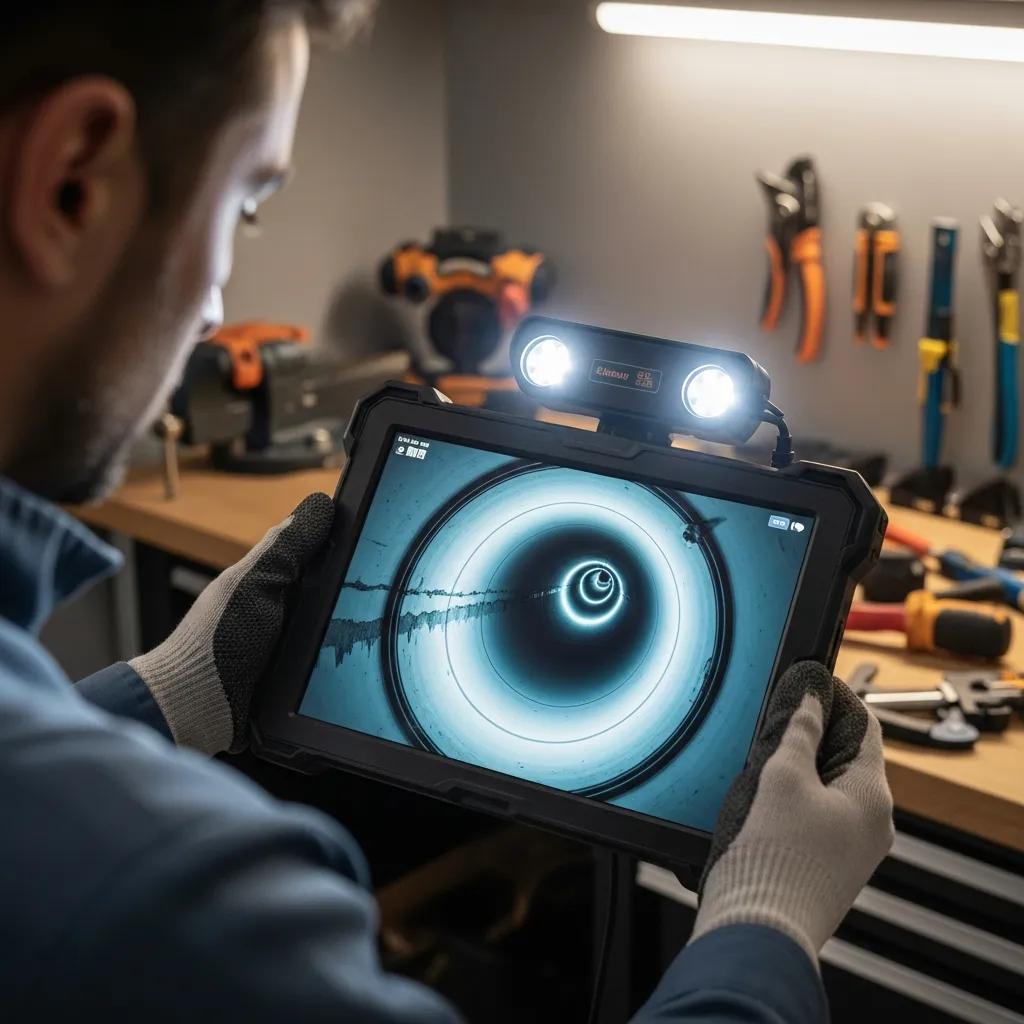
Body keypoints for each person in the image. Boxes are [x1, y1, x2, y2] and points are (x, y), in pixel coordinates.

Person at [0, 2, 894, 1019]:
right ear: (72, 178)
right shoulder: (176, 897)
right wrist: (764, 927)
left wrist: (168, 695)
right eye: (244, 205)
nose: (215, 304)